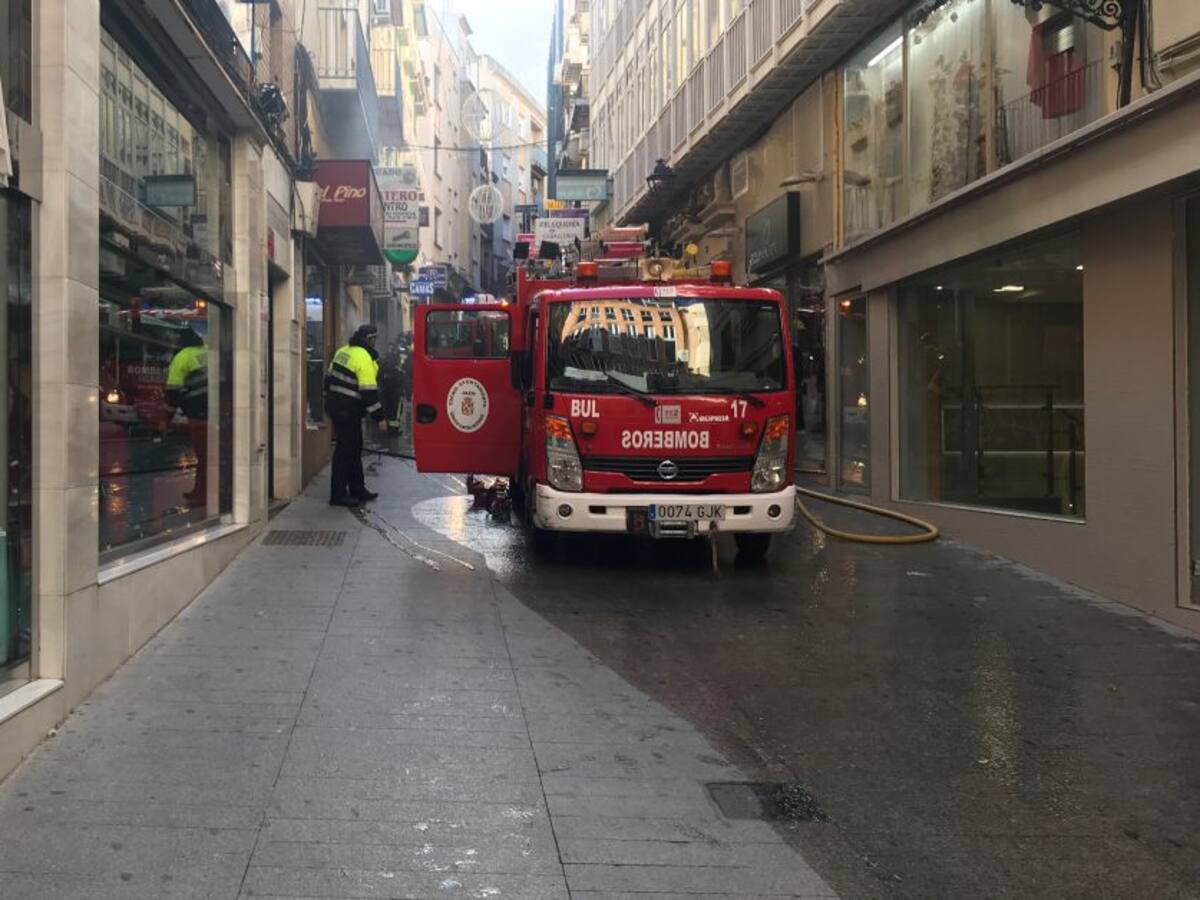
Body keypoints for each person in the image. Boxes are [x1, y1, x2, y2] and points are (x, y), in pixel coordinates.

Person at [325, 323, 386, 506]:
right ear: (370, 340)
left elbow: (328, 378)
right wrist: (380, 418)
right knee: (345, 452)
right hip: (347, 410)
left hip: (338, 407)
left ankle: (357, 489)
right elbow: (368, 392)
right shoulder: (363, 358)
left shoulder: (343, 351)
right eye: (374, 339)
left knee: (354, 449)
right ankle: (338, 495)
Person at [166, 329, 208, 506]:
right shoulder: (207, 352)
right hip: (219, 413)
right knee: (214, 456)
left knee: (203, 457)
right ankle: (213, 492)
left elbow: (173, 390)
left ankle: (201, 494)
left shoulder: (182, 356)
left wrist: (168, 416)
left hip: (198, 415)